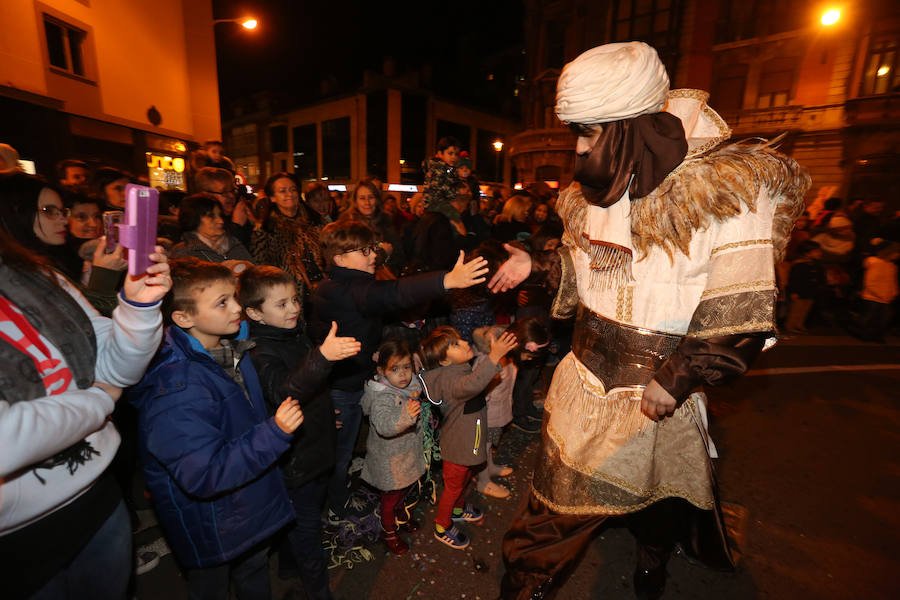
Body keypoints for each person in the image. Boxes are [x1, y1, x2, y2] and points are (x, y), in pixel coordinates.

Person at [492, 42, 810, 599]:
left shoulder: (728, 191)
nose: (580, 148)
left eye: (589, 133)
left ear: (627, 127)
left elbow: (744, 304)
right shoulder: (601, 183)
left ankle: (651, 565)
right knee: (550, 511)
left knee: (658, 496)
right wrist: (538, 263)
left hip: (658, 390)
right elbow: (587, 261)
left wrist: (678, 377)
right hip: (585, 380)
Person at [0, 227, 170, 599]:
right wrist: (98, 402)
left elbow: (114, 368)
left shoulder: (35, 275)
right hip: (14, 541)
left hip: (96, 501)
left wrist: (139, 309)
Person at [131, 258, 304, 600]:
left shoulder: (228, 346)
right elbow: (204, 473)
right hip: (215, 523)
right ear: (183, 318)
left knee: (254, 570)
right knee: (213, 586)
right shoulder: (178, 389)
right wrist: (275, 432)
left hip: (247, 505)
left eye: (234, 297)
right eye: (222, 302)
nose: (238, 307)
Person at [309, 220, 490, 522]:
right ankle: (336, 509)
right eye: (364, 250)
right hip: (339, 389)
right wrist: (446, 280)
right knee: (337, 456)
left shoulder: (343, 285)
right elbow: (394, 293)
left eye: (373, 248)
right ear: (339, 258)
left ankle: (341, 492)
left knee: (347, 447)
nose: (373, 256)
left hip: (348, 380)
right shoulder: (344, 290)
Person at [240, 265, 359, 600]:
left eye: (295, 299)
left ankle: (289, 568)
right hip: (296, 465)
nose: (293, 308)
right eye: (281, 304)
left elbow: (308, 389)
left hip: (313, 450)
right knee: (308, 534)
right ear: (254, 313)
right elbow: (284, 390)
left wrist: (322, 413)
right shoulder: (259, 351)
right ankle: (319, 592)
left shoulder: (291, 333)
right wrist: (322, 357)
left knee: (299, 525)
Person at [421, 326, 518, 549]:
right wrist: (494, 355)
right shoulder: (449, 379)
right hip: (457, 448)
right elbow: (472, 385)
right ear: (444, 361)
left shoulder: (461, 369)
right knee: (453, 487)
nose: (465, 343)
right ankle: (441, 526)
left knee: (464, 479)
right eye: (455, 344)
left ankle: (457, 509)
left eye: (460, 340)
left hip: (469, 441)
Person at [360, 339, 431, 555]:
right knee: (390, 498)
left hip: (405, 455)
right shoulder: (382, 396)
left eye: (406, 367)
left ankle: (400, 517)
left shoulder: (411, 387)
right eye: (395, 369)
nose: (402, 374)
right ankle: (389, 531)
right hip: (389, 461)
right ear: (381, 371)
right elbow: (384, 425)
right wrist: (405, 416)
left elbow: (421, 376)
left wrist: (419, 360)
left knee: (404, 489)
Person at [252, 172, 325, 308]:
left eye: (293, 189)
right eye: (282, 191)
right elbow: (261, 267)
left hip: (323, 289)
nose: (289, 194)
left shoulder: (315, 221)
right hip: (289, 295)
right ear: (273, 198)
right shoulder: (266, 229)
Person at [471, 325, 516, 499]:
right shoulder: (486, 364)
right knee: (483, 447)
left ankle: (490, 467)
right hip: (487, 417)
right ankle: (484, 482)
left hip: (499, 413)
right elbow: (481, 396)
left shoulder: (504, 359)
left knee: (488, 445)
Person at [169, 193, 254, 271]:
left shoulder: (233, 243)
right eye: (211, 216)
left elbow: (254, 273)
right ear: (192, 218)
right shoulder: (183, 252)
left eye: (220, 215)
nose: (220, 221)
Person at [339, 179, 406, 275]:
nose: (367, 203)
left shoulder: (386, 222)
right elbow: (353, 263)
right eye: (362, 198)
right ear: (355, 201)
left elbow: (399, 256)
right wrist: (382, 253)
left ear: (377, 200)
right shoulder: (347, 226)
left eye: (371, 197)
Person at [194, 166, 255, 247]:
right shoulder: (198, 223)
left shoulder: (238, 213)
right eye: (224, 192)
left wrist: (254, 224)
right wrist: (237, 226)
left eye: (232, 190)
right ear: (206, 194)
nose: (231, 196)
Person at [423, 136, 465, 235]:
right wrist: (456, 192)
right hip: (436, 202)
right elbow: (441, 188)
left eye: (456, 154)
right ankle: (456, 236)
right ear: (440, 153)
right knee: (454, 216)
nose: (454, 157)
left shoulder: (448, 169)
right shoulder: (439, 168)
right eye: (450, 153)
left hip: (439, 201)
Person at [784, 240, 825, 334]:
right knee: (796, 310)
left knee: (805, 310)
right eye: (816, 251)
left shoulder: (816, 264)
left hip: (811, 291)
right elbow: (794, 280)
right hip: (800, 292)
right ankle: (790, 325)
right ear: (807, 253)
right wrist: (793, 292)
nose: (819, 253)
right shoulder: (799, 264)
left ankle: (799, 324)